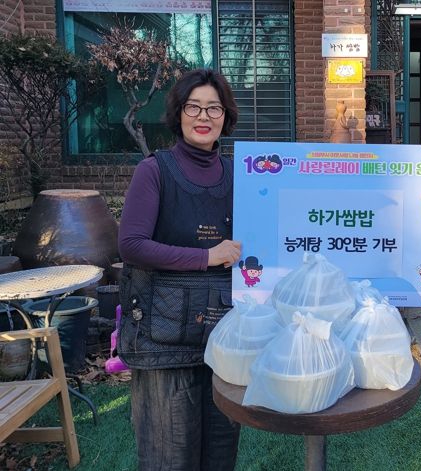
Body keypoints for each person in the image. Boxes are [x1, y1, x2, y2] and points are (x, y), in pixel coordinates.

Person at [118, 69, 242, 470]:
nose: (203, 116)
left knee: (220, 454)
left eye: (214, 108)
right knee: (169, 457)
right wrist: (207, 257)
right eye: (194, 107)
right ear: (178, 113)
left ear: (225, 116)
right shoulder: (154, 170)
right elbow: (131, 245)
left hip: (224, 334)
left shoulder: (241, 175)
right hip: (164, 338)